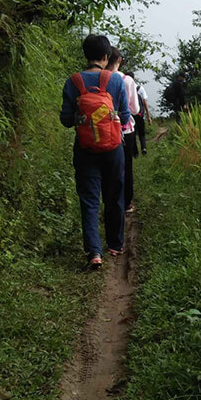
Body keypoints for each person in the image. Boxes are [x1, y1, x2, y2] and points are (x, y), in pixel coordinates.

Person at [60, 35, 132, 269]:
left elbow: (66, 120)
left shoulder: (73, 82)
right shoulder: (115, 81)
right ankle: (115, 244)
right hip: (113, 148)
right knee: (114, 196)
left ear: (85, 55)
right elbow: (126, 116)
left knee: (89, 200)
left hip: (84, 148)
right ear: (106, 57)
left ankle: (94, 252)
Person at [105, 47, 140, 212]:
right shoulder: (126, 80)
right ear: (118, 60)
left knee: (109, 167)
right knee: (126, 167)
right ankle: (127, 202)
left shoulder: (101, 78)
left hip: (104, 128)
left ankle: (110, 202)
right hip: (125, 130)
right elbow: (134, 109)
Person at [127, 71, 152, 157]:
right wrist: (148, 116)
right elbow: (145, 103)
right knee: (142, 132)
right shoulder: (140, 88)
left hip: (130, 114)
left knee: (132, 133)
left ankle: (135, 152)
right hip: (140, 114)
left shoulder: (125, 88)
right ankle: (144, 148)